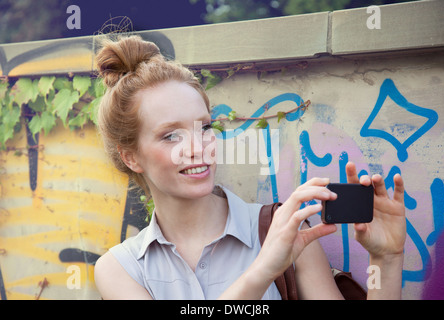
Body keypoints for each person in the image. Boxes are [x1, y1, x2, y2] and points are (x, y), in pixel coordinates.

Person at [93, 35, 406, 300]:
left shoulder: (285, 229)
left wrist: (386, 260)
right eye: (171, 135)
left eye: (203, 128)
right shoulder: (120, 268)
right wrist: (264, 270)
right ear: (131, 157)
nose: (197, 148)